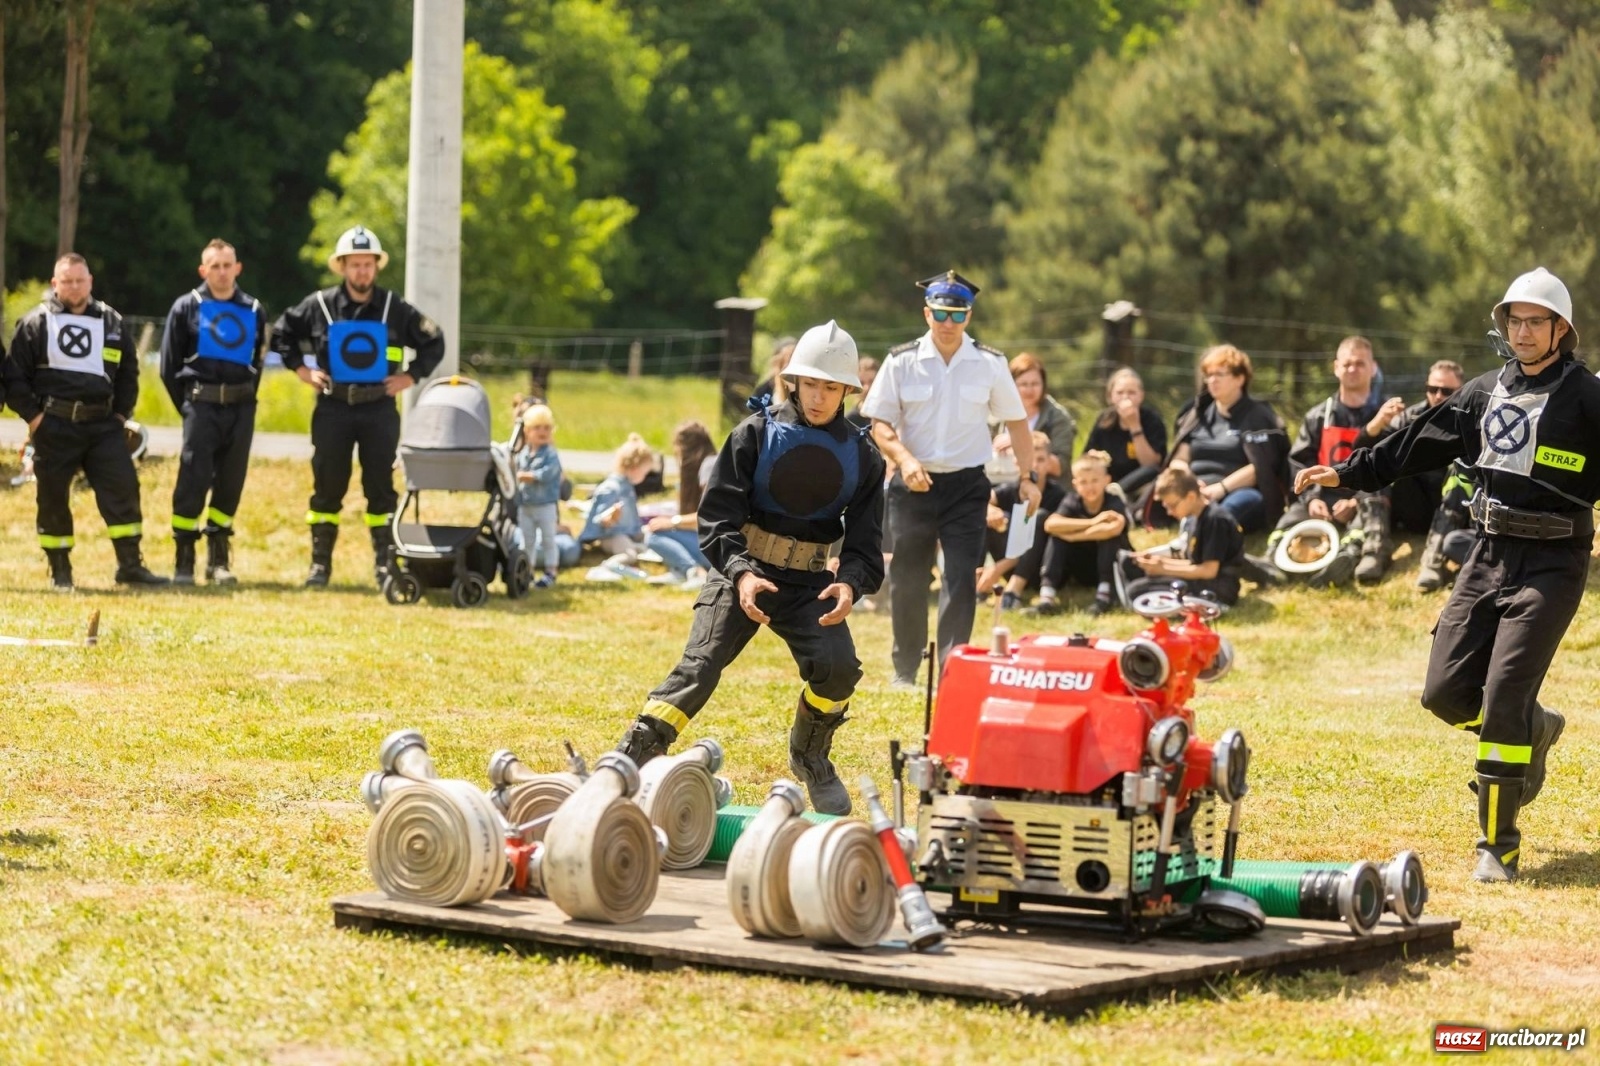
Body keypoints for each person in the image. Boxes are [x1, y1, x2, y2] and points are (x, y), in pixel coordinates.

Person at [1295, 267, 1591, 883]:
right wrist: (1348, 472)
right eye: (1516, 319)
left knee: (1504, 695)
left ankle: (1497, 845)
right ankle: (1534, 729)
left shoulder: (1591, 399)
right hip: (1486, 555)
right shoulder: (1481, 393)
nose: (1525, 331)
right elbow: (1412, 445)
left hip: (1553, 565)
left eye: (1537, 321)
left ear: (1562, 329)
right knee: (1445, 694)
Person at [614, 321, 884, 815]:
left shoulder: (865, 457)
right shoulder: (754, 434)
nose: (819, 397)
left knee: (840, 671)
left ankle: (810, 755)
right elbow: (717, 518)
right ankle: (632, 755)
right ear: (793, 381)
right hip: (743, 570)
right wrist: (740, 574)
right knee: (702, 664)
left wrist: (849, 585)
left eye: (831, 387)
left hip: (811, 586)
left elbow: (867, 544)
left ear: (847, 390)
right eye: (811, 384)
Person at [862, 271, 1039, 688]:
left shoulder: (990, 364)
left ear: (968, 316)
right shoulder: (901, 360)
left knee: (962, 577)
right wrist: (904, 460)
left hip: (966, 486)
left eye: (956, 315)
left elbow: (1017, 423)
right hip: (913, 484)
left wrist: (1028, 477)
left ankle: (951, 671)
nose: (947, 323)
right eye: (940, 313)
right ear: (927, 313)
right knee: (908, 579)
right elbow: (878, 423)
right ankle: (905, 669)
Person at [270, 226, 445, 587]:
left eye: (368, 264)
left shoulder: (395, 308)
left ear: (376, 267)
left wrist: (411, 377)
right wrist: (302, 370)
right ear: (343, 267)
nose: (362, 271)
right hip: (333, 409)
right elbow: (281, 333)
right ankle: (320, 567)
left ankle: (385, 565)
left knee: (380, 487)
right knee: (327, 485)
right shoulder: (319, 305)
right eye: (355, 264)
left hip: (378, 410)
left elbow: (434, 341)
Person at [3, 253, 167, 589]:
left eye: (80, 280)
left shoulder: (112, 322)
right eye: (67, 281)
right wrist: (35, 420)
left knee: (123, 491)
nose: (74, 287)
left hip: (103, 427)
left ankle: (130, 566)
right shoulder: (35, 323)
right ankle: (60, 571)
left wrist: (121, 416)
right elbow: (15, 378)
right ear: (55, 284)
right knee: (52, 499)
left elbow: (128, 375)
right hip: (54, 427)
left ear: (90, 281)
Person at [158, 238, 268, 586]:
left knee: (231, 482)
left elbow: (257, 364)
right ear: (203, 270)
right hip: (200, 406)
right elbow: (167, 366)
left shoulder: (253, 310)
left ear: (238, 268)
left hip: (241, 408)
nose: (222, 272)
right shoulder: (186, 307)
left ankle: (218, 561)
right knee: (193, 479)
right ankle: (184, 561)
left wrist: (244, 399)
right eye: (214, 266)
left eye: (227, 265)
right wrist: (189, 407)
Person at [1252, 337, 1404, 588]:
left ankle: (1347, 560)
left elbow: (1392, 467)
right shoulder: (1317, 416)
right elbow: (1300, 463)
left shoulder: (1388, 416)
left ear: (1373, 367)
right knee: (1291, 519)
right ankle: (1271, 562)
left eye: (1359, 364)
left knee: (1361, 526)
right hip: (1323, 496)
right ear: (1336, 368)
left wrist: (1355, 502)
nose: (1352, 369)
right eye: (1347, 364)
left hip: (1366, 497)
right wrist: (1312, 499)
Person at [1161, 344, 1290, 534]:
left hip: (1237, 492)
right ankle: (1195, 527)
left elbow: (1260, 468)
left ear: (1240, 378)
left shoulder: (1259, 416)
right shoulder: (1197, 414)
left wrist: (1220, 488)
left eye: (1219, 375)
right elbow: (1179, 459)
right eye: (1209, 375)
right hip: (1194, 491)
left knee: (1230, 508)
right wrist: (1190, 484)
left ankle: (1203, 530)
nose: (1211, 381)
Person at [1121, 465, 1245, 606]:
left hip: (1218, 588)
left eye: (1172, 505)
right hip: (1202, 579)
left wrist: (1163, 569)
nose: (1169, 512)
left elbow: (1208, 571)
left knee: (1135, 590)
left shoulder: (1215, 520)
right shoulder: (1195, 518)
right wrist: (1159, 562)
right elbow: (1194, 563)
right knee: (1132, 567)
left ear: (1191, 496)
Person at [1028, 450, 1133, 616]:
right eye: (1083, 482)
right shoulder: (1072, 501)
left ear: (1107, 480)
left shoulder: (1113, 501)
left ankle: (1104, 597)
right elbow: (1050, 524)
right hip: (1083, 568)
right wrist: (1093, 522)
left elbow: (1114, 528)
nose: (1089, 487)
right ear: (1075, 484)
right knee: (1058, 537)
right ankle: (1047, 598)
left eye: (1095, 481)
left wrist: (1074, 535)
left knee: (1109, 538)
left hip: (1110, 567)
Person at [977, 431, 1067, 609]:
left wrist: (998, 568)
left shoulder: (1058, 496)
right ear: (1017, 463)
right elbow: (978, 501)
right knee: (985, 517)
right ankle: (976, 583)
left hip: (1043, 570)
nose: (1034, 465)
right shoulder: (1010, 490)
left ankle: (1013, 592)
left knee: (1039, 517)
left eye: (1040, 460)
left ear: (1050, 462)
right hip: (1013, 565)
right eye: (1029, 459)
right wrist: (990, 510)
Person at [643, 420, 717, 586]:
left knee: (654, 536)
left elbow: (709, 516)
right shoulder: (713, 461)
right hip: (714, 545)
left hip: (717, 548)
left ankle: (694, 572)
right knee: (659, 528)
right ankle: (679, 570)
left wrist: (672, 522)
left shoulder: (709, 466)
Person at [577, 433, 655, 578]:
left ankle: (637, 548)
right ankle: (608, 567)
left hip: (628, 531)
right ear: (634, 468)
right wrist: (610, 518)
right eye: (645, 473)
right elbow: (601, 520)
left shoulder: (627, 487)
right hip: (612, 536)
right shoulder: (611, 488)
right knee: (629, 554)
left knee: (652, 536)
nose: (645, 477)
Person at [989, 352, 1075, 482]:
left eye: (1035, 384)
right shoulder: (995, 414)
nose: (1029, 390)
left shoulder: (1058, 417)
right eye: (1023, 384)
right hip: (1001, 486)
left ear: (1044, 385)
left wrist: (1019, 440)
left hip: (1047, 491)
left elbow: (1060, 466)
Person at [1082, 368, 1166, 497]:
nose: (1125, 397)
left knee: (1151, 471)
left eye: (1131, 392)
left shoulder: (1152, 420)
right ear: (1110, 396)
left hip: (1141, 485)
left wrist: (1135, 426)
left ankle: (1116, 492)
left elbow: (1151, 463)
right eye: (1120, 393)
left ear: (1141, 395)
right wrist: (1094, 457)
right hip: (1108, 481)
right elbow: (1086, 456)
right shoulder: (1104, 420)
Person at [513, 405, 563, 588]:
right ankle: (528, 570)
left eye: (547, 428)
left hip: (545, 505)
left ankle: (551, 572)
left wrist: (528, 476)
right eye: (537, 428)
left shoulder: (550, 454)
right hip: (526, 505)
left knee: (549, 539)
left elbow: (548, 474)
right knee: (527, 540)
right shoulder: (523, 454)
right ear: (527, 431)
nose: (542, 432)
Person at [845, 356, 878, 431]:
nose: (867, 388)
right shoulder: (849, 421)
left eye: (872, 381)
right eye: (862, 383)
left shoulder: (891, 417)